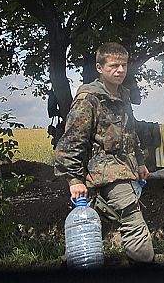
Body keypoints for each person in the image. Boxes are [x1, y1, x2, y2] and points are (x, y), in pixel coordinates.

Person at [55, 42, 155, 264]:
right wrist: (74, 179)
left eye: (124, 65)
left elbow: (130, 132)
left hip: (120, 171)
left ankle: (70, 269)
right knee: (132, 219)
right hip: (101, 174)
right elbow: (71, 142)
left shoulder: (123, 96)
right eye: (113, 65)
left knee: (89, 229)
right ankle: (145, 269)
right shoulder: (88, 99)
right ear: (100, 68)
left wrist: (139, 162)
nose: (120, 70)